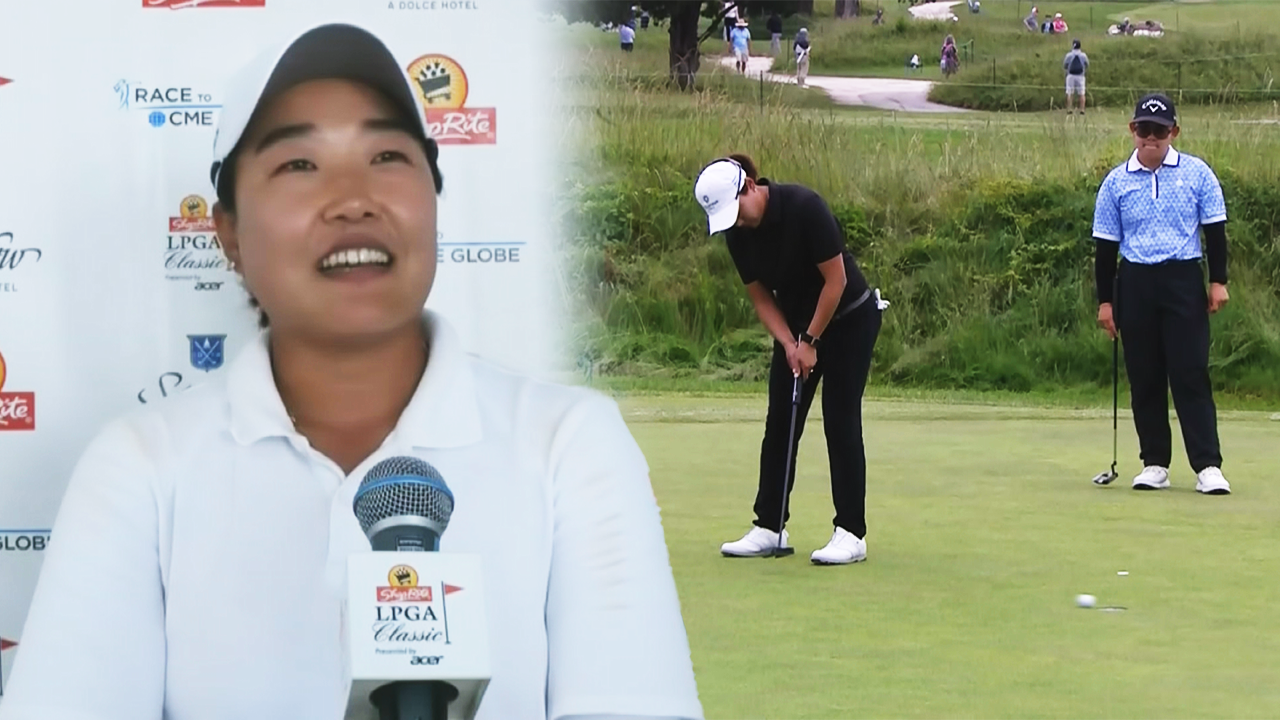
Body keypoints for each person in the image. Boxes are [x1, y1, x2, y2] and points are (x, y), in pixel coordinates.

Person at [0, 22, 705, 720]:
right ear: (229, 234)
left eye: (387, 156)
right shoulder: (143, 467)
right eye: (298, 165)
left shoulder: (568, 445)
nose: (352, 199)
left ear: (433, 198)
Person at [693, 155, 887, 565]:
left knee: (839, 418)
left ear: (749, 187)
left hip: (850, 319)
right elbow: (761, 297)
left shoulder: (804, 207)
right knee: (781, 420)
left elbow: (836, 281)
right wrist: (789, 343)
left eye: (735, 211)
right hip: (798, 329)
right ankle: (769, 526)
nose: (735, 223)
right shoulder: (738, 233)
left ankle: (851, 533)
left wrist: (811, 340)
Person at [1092, 93, 1232, 496]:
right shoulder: (1116, 182)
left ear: (1174, 132)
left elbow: (1215, 232)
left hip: (1182, 278)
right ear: (1132, 130)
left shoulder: (1197, 173)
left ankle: (1208, 466)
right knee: (1145, 376)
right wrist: (1106, 302)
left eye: (1159, 130)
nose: (1151, 137)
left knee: (1190, 372)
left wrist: (1218, 280)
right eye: (1144, 129)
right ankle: (1154, 463)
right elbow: (1105, 249)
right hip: (1135, 281)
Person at [1063, 38, 1089, 114]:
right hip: (1080, 76)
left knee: (1069, 92)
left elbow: (1065, 65)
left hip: (1071, 75)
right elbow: (1087, 64)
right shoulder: (1083, 55)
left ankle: (1069, 108)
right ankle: (1082, 109)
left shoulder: (1069, 55)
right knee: (1082, 93)